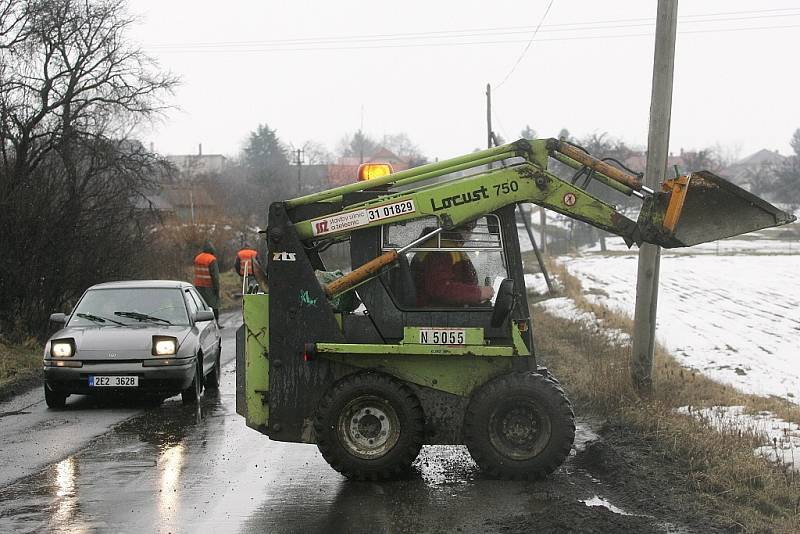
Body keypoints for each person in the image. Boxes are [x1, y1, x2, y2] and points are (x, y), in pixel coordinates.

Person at [412, 221, 494, 307]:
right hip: (436, 314)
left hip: (442, 311)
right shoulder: (441, 250)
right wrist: (478, 293)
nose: (471, 232)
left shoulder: (446, 246)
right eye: (470, 226)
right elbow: (440, 288)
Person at [194, 242, 220, 322]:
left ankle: (203, 323)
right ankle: (216, 323)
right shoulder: (211, 259)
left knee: (202, 305)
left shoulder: (197, 258)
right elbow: (215, 276)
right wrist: (217, 288)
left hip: (198, 286)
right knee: (214, 305)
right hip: (209, 286)